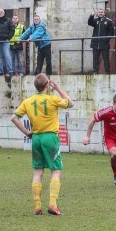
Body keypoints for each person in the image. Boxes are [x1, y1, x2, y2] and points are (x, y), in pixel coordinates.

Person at [10, 73, 74, 216]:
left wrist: (27, 132)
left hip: (36, 138)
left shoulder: (28, 101)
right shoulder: (52, 99)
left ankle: (37, 206)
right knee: (56, 170)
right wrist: (58, 88)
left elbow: (14, 118)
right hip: (50, 137)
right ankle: (52, 204)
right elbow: (70, 103)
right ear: (47, 86)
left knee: (38, 172)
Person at [88, 9, 114, 74]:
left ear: (104, 13)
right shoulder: (95, 20)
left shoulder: (109, 21)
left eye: (101, 12)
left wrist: (106, 39)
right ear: (98, 13)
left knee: (106, 59)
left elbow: (111, 32)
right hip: (95, 44)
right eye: (99, 12)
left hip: (104, 44)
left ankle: (107, 72)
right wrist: (91, 15)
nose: (100, 13)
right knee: (95, 59)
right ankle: (95, 71)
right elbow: (89, 22)